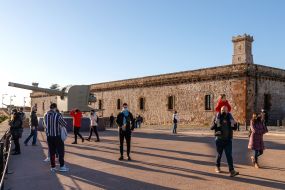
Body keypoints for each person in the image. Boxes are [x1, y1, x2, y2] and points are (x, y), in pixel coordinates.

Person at [212, 106, 239, 177]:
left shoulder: (230, 117)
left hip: (228, 140)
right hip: (219, 139)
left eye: (225, 110)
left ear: (228, 111)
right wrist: (215, 123)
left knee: (229, 155)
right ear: (220, 110)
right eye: (222, 110)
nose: (223, 111)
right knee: (219, 154)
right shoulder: (217, 117)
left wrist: (235, 124)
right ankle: (217, 166)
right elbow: (211, 127)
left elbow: (234, 128)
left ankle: (231, 171)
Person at [44, 103, 68, 172]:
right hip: (57, 136)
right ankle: (62, 166)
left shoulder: (46, 115)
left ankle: (53, 167)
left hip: (49, 136)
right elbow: (64, 124)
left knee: (52, 152)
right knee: (60, 152)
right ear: (55, 108)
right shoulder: (57, 115)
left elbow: (45, 125)